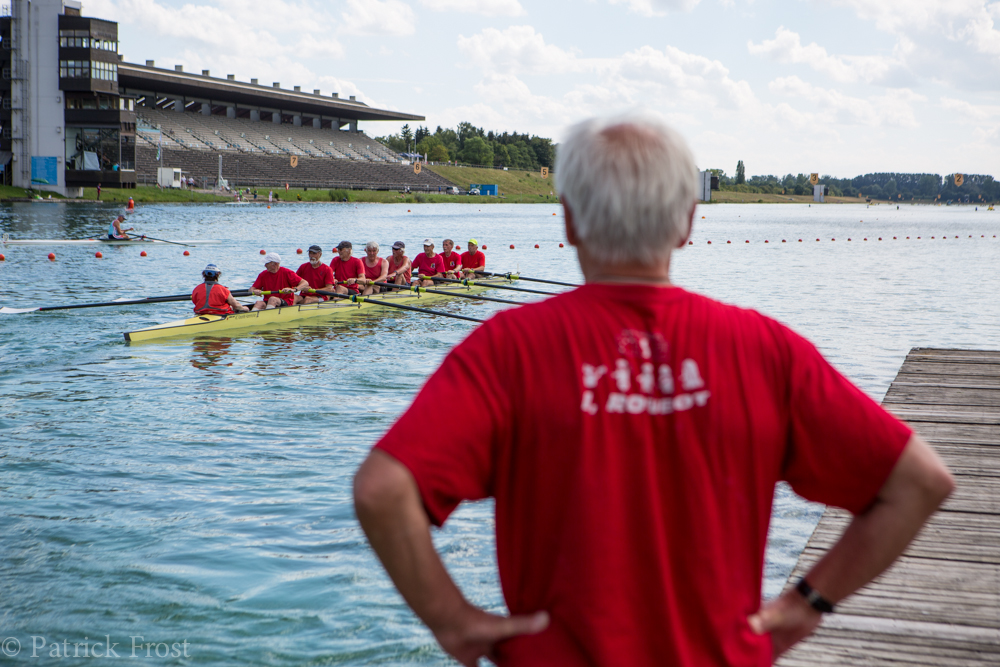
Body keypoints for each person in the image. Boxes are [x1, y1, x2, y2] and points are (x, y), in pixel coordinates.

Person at [352, 113, 955, 666]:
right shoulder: (764, 348)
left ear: (566, 219)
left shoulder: (508, 348)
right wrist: (804, 607)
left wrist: (452, 620)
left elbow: (383, 489)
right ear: (689, 221)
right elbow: (920, 482)